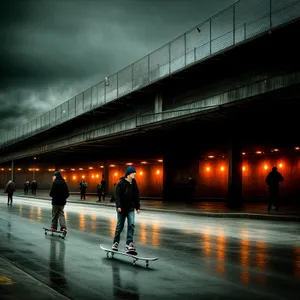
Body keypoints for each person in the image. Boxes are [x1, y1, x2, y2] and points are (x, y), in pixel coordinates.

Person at [112, 166, 140, 254]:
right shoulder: (120, 183)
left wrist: (137, 207)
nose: (134, 174)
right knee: (120, 226)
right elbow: (117, 195)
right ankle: (115, 242)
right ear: (128, 174)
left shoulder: (134, 183)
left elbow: (136, 196)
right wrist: (118, 206)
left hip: (130, 208)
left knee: (131, 224)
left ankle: (129, 244)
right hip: (122, 208)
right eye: (133, 173)